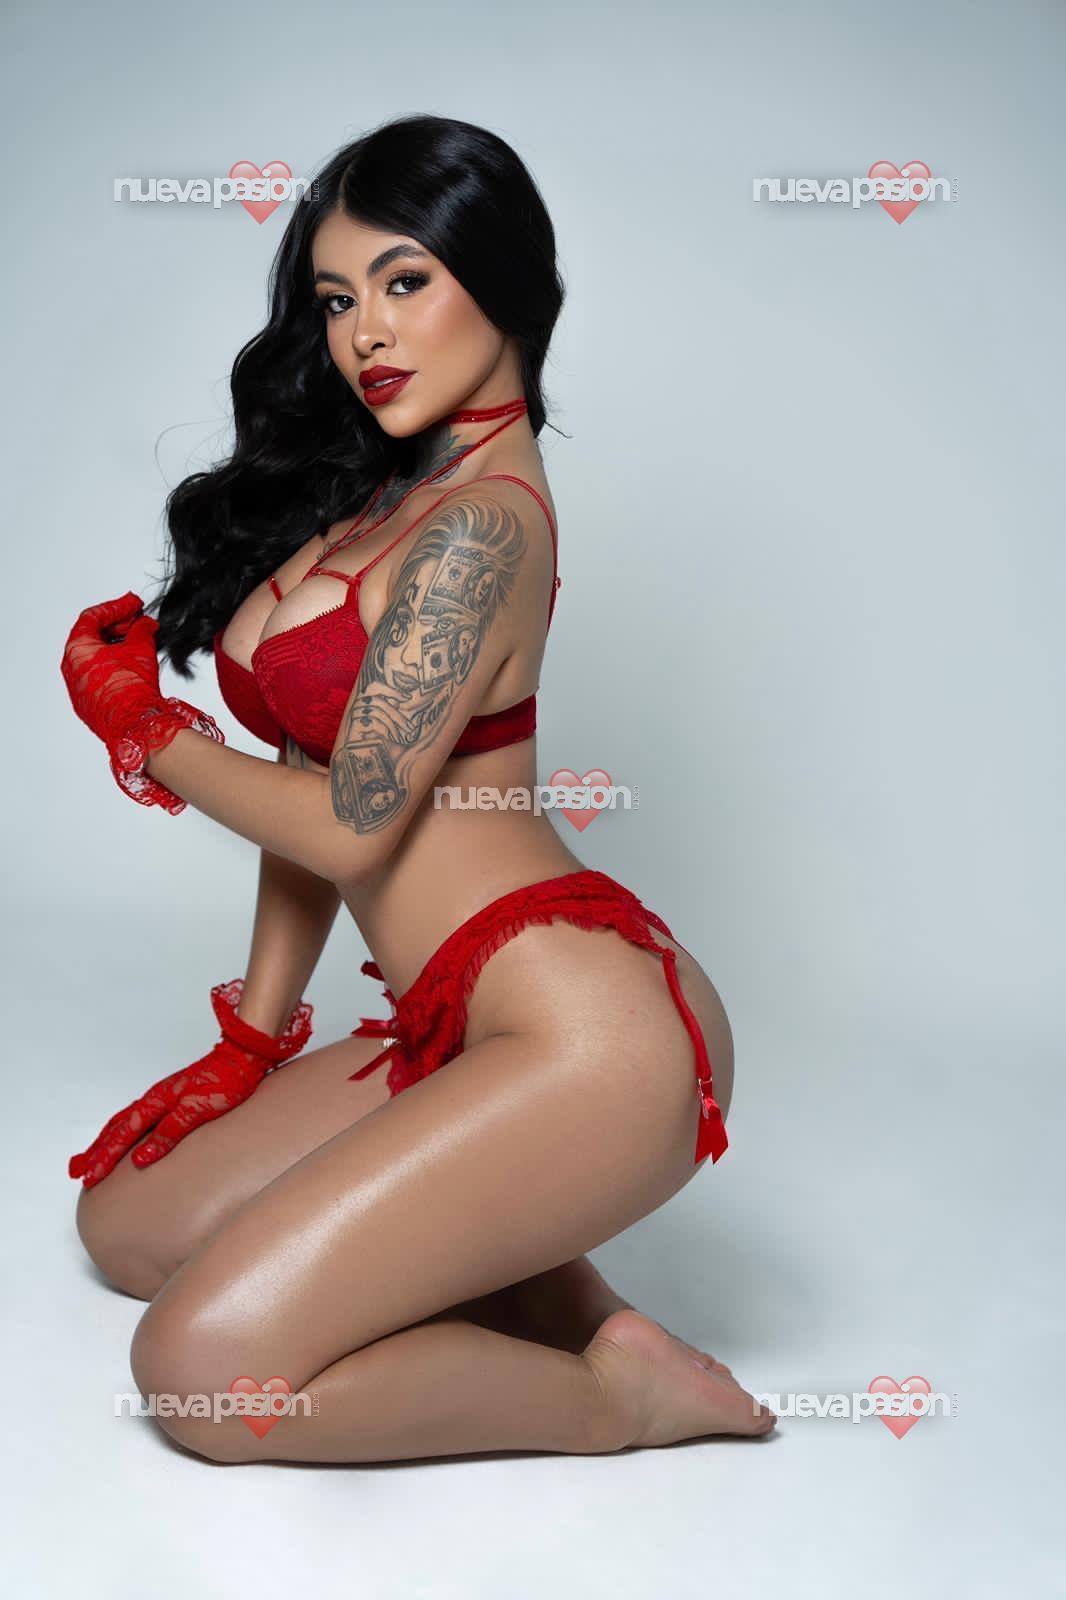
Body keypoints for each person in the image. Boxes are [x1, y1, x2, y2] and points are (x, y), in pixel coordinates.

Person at [61, 113, 776, 1462]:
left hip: (591, 1043)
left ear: (501, 283)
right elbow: (306, 768)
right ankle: (552, 1288)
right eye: (336, 299)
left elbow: (350, 827)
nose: (364, 334)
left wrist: (145, 731)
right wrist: (249, 1040)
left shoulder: (483, 528)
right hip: (455, 1023)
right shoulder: (380, 501)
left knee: (203, 1373)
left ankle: (614, 1397)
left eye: (404, 281)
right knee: (129, 1228)